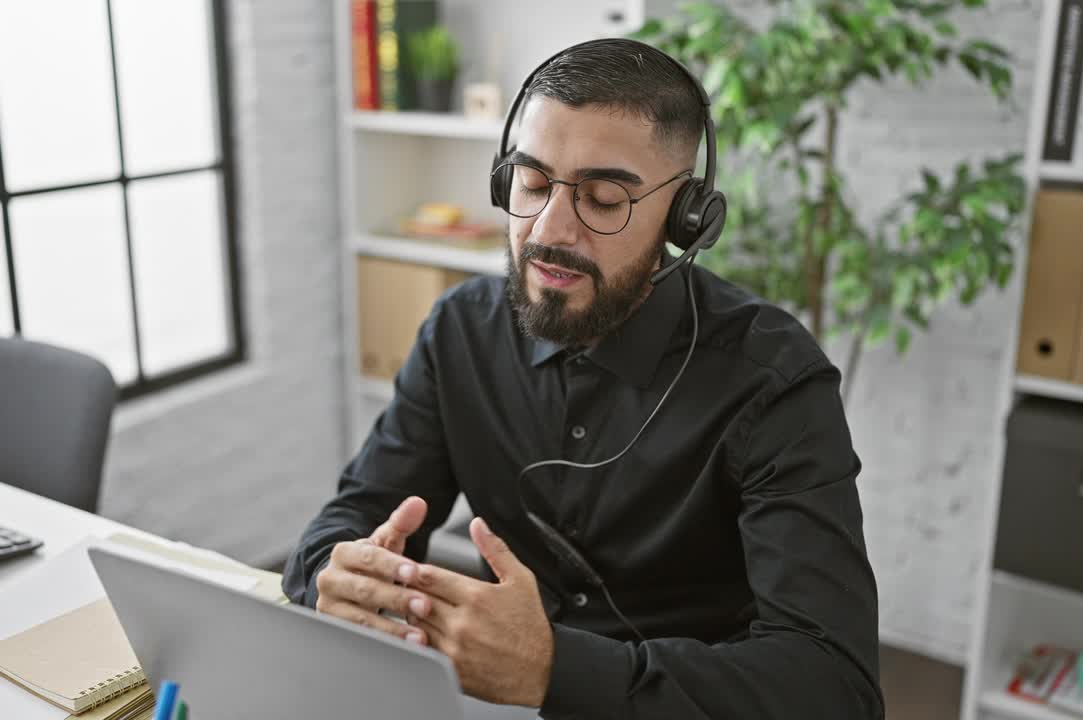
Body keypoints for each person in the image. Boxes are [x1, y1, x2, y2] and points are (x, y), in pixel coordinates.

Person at [283, 38, 884, 719]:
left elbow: (834, 686)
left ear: (687, 217)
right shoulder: (459, 332)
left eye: (603, 200)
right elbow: (353, 517)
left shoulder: (775, 379)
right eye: (532, 183)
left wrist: (553, 668)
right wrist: (331, 573)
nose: (549, 229)